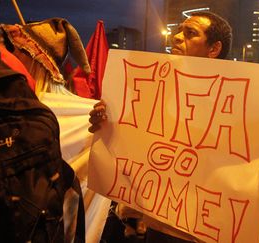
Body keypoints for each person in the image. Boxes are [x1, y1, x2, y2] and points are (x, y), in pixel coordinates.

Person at [91, 11, 232, 243]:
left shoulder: (232, 105)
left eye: (190, 33)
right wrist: (106, 126)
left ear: (214, 49)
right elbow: (132, 147)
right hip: (159, 226)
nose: (176, 37)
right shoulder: (154, 94)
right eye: (179, 31)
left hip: (202, 231)